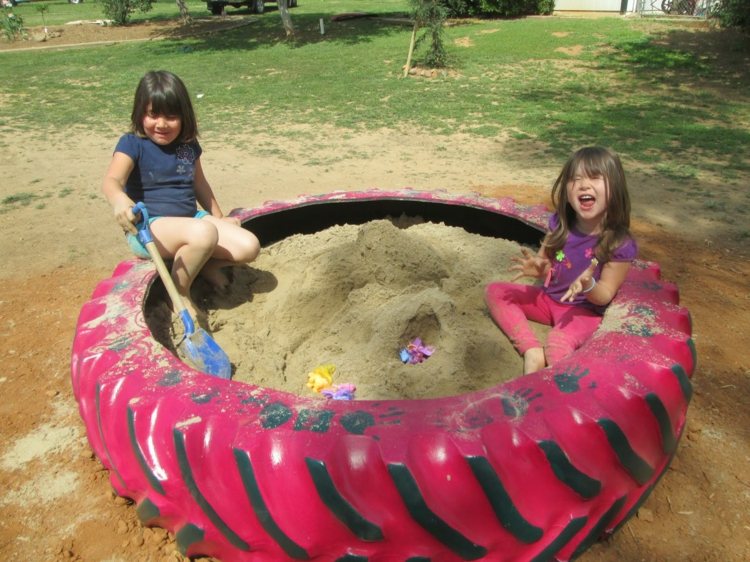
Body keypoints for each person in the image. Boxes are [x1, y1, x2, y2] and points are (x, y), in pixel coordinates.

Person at [102, 70, 260, 319]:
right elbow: (112, 180)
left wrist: (218, 217)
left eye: (171, 116)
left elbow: (199, 184)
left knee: (248, 246)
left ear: (184, 116)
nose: (161, 124)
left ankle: (202, 265)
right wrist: (119, 199)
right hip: (150, 228)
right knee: (204, 233)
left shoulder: (187, 147)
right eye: (153, 115)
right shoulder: (132, 144)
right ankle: (177, 292)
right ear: (140, 113)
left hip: (192, 220)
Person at [485, 146, 637, 374]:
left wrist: (589, 285)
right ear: (566, 189)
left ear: (614, 188)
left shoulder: (618, 243)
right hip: (548, 300)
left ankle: (550, 392)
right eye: (575, 179)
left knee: (557, 344)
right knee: (496, 291)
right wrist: (539, 268)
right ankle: (531, 351)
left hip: (582, 312)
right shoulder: (560, 224)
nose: (584, 185)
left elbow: (605, 293)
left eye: (594, 177)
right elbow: (548, 258)